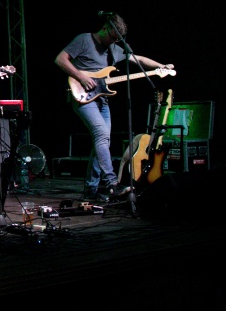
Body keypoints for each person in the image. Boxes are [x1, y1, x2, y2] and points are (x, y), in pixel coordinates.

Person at [54, 12, 174, 202]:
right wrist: (81, 77)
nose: (114, 41)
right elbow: (60, 59)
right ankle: (111, 183)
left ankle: (91, 190)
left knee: (102, 140)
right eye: (112, 37)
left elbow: (138, 59)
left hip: (102, 100)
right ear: (105, 28)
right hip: (83, 97)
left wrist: (161, 67)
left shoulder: (113, 49)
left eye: (117, 39)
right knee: (102, 135)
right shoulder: (84, 40)